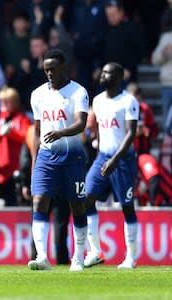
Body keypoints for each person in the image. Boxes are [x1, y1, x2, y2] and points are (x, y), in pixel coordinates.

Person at [27, 49, 89, 272]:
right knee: (39, 202)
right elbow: (36, 130)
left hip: (72, 156)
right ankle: (42, 256)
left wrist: (61, 133)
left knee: (77, 205)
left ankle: (79, 257)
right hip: (46, 156)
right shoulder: (38, 94)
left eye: (53, 69)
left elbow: (81, 123)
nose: (50, 73)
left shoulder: (78, 92)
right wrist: (35, 160)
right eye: (46, 70)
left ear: (65, 68)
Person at [84, 62, 139, 269]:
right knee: (86, 198)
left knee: (126, 207)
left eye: (107, 72)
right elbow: (100, 129)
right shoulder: (97, 101)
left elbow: (131, 133)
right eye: (103, 71)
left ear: (118, 76)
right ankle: (96, 251)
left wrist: (115, 160)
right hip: (102, 157)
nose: (103, 75)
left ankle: (131, 257)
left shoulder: (128, 101)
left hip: (122, 160)